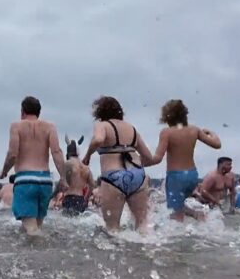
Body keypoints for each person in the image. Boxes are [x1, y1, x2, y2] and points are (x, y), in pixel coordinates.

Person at [82, 96, 154, 233]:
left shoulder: (102, 125)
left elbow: (98, 140)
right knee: (143, 226)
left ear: (100, 112)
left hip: (113, 178)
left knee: (112, 230)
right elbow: (149, 158)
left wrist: (87, 155)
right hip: (138, 176)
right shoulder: (132, 129)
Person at [0, 96, 67, 236]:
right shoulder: (50, 127)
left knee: (31, 230)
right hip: (45, 181)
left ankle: (42, 249)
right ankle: (43, 250)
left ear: (22, 111)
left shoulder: (16, 126)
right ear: (39, 112)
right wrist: (63, 177)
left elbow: (12, 154)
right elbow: (57, 152)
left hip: (26, 181)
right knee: (37, 227)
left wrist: (4, 172)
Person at [145, 99, 222, 221]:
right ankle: (199, 215)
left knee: (175, 216)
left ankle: (193, 225)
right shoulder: (194, 130)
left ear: (167, 116)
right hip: (192, 176)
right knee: (180, 206)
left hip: (176, 177)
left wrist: (140, 162)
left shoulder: (167, 132)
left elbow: (157, 158)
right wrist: (210, 132)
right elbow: (217, 144)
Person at [62, 135, 95, 216]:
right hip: (80, 199)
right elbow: (92, 185)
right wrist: (86, 198)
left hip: (69, 197)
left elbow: (62, 183)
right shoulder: (86, 168)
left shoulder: (67, 163)